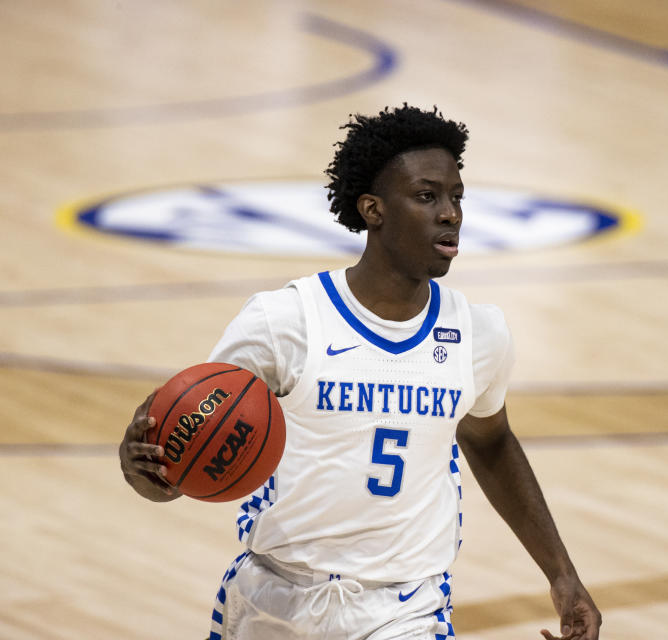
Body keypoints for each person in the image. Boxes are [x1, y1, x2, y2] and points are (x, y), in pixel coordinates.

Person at [119, 104, 601, 640]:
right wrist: (147, 472)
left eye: (456, 196)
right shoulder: (286, 321)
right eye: (427, 196)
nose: (451, 213)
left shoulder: (478, 334)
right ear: (373, 209)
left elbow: (490, 444)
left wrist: (563, 576)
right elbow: (188, 451)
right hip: (275, 600)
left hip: (404, 609)